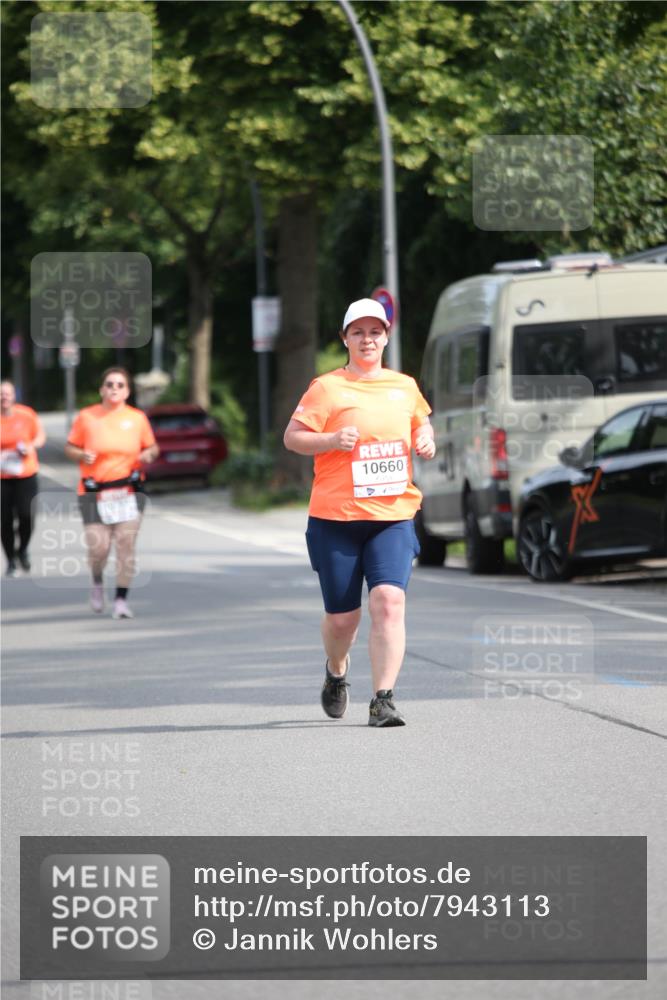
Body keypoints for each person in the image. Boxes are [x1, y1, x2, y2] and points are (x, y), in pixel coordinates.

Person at [284, 298, 436, 727]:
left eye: (375, 332)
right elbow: (293, 437)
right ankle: (336, 671)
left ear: (386, 337)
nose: (367, 339)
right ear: (345, 339)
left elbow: (421, 422)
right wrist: (331, 440)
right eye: (358, 332)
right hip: (336, 519)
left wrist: (426, 438)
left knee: (389, 601)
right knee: (342, 619)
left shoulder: (404, 386)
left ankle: (382, 699)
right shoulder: (326, 388)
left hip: (392, 515)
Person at [64, 367, 159, 619]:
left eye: (120, 385)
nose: (114, 388)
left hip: (128, 491)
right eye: (109, 384)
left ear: (127, 391)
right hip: (94, 491)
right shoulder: (87, 417)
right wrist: (81, 454)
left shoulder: (137, 418)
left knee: (126, 545)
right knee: (99, 547)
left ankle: (120, 601)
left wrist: (148, 454)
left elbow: (152, 447)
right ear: (101, 390)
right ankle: (97, 582)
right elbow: (70, 447)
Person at [1, 381, 46, 576]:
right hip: (2, 477)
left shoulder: (26, 415)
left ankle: (23, 549)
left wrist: (30, 447)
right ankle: (10, 560)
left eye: (7, 393)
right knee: (5, 520)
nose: (4, 397)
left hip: (25, 474)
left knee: (27, 516)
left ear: (14, 395)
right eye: (1, 394)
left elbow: (40, 437)